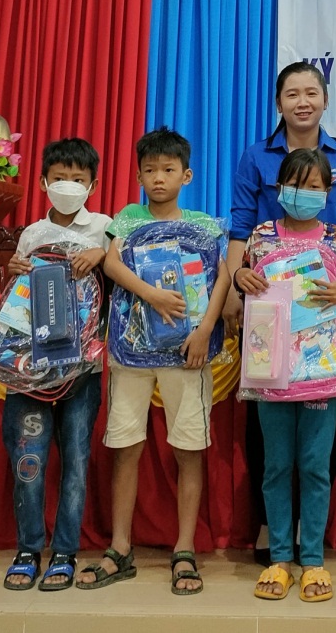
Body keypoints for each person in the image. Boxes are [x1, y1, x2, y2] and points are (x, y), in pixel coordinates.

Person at [223, 60, 336, 563]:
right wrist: (233, 288)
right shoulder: (255, 156)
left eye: (312, 92)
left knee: (318, 442)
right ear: (279, 102)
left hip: (325, 319)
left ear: (326, 100)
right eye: (292, 93)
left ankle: (312, 542)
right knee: (267, 431)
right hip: (268, 317)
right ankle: (272, 533)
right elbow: (240, 228)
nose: (302, 101)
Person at [76, 127, 228, 596]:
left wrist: (204, 331)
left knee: (189, 447)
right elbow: (112, 264)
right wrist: (153, 295)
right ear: (138, 175)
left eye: (168, 169)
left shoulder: (205, 225)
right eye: (149, 170)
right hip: (131, 351)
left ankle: (184, 549)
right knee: (126, 445)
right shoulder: (127, 217)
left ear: (187, 175)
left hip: (188, 352)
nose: (158, 178)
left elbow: (222, 278)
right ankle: (120, 547)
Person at [234, 148, 336, 603]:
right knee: (276, 465)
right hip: (271, 365)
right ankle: (280, 558)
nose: (303, 193)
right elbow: (246, 283)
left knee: (314, 465)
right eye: (295, 184)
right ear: (278, 187)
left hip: (322, 366)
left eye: (314, 186)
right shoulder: (261, 236)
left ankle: (313, 561)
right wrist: (240, 280)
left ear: (327, 191)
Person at [0, 138, 111, 592]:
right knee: (28, 458)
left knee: (77, 460)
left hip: (82, 367)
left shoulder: (104, 227)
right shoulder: (31, 233)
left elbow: (120, 273)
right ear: (44, 182)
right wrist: (13, 272)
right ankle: (28, 548)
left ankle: (65, 551)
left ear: (93, 185)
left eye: (78, 179)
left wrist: (102, 254)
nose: (68, 185)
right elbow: (17, 298)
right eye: (59, 178)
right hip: (31, 366)